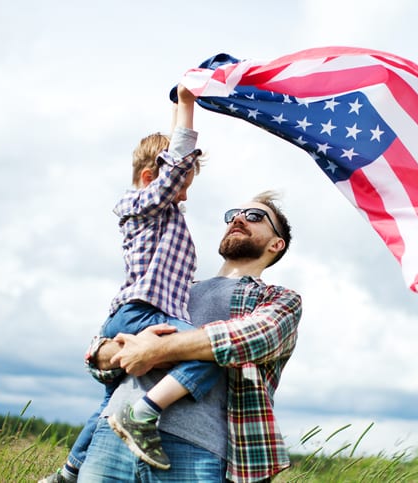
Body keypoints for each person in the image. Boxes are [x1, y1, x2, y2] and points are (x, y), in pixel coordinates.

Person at [40, 85, 216, 483]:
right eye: (181, 184)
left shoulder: (158, 210)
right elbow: (177, 158)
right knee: (208, 353)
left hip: (132, 315)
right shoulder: (140, 204)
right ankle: (143, 413)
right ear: (152, 177)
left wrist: (173, 109)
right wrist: (187, 104)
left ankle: (67, 473)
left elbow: (172, 159)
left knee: (106, 402)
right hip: (140, 313)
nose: (183, 194)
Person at [78, 190, 302, 482]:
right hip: (111, 437)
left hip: (197, 449)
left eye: (255, 216)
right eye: (234, 214)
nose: (238, 218)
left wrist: (153, 349)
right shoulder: (174, 288)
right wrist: (120, 351)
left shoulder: (278, 299)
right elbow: (98, 355)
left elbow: (250, 338)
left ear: (276, 243)